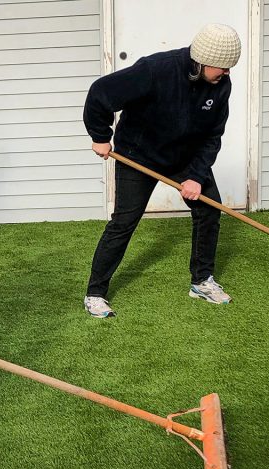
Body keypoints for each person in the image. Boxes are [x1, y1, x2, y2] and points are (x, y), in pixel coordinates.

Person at [81, 23, 241, 318]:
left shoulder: (221, 84)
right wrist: (100, 136)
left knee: (209, 210)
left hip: (185, 157)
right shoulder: (156, 70)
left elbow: (213, 135)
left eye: (231, 68)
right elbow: (101, 92)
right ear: (202, 61)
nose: (227, 73)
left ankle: (201, 280)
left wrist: (195, 174)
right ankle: (95, 293)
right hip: (139, 156)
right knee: (124, 222)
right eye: (222, 68)